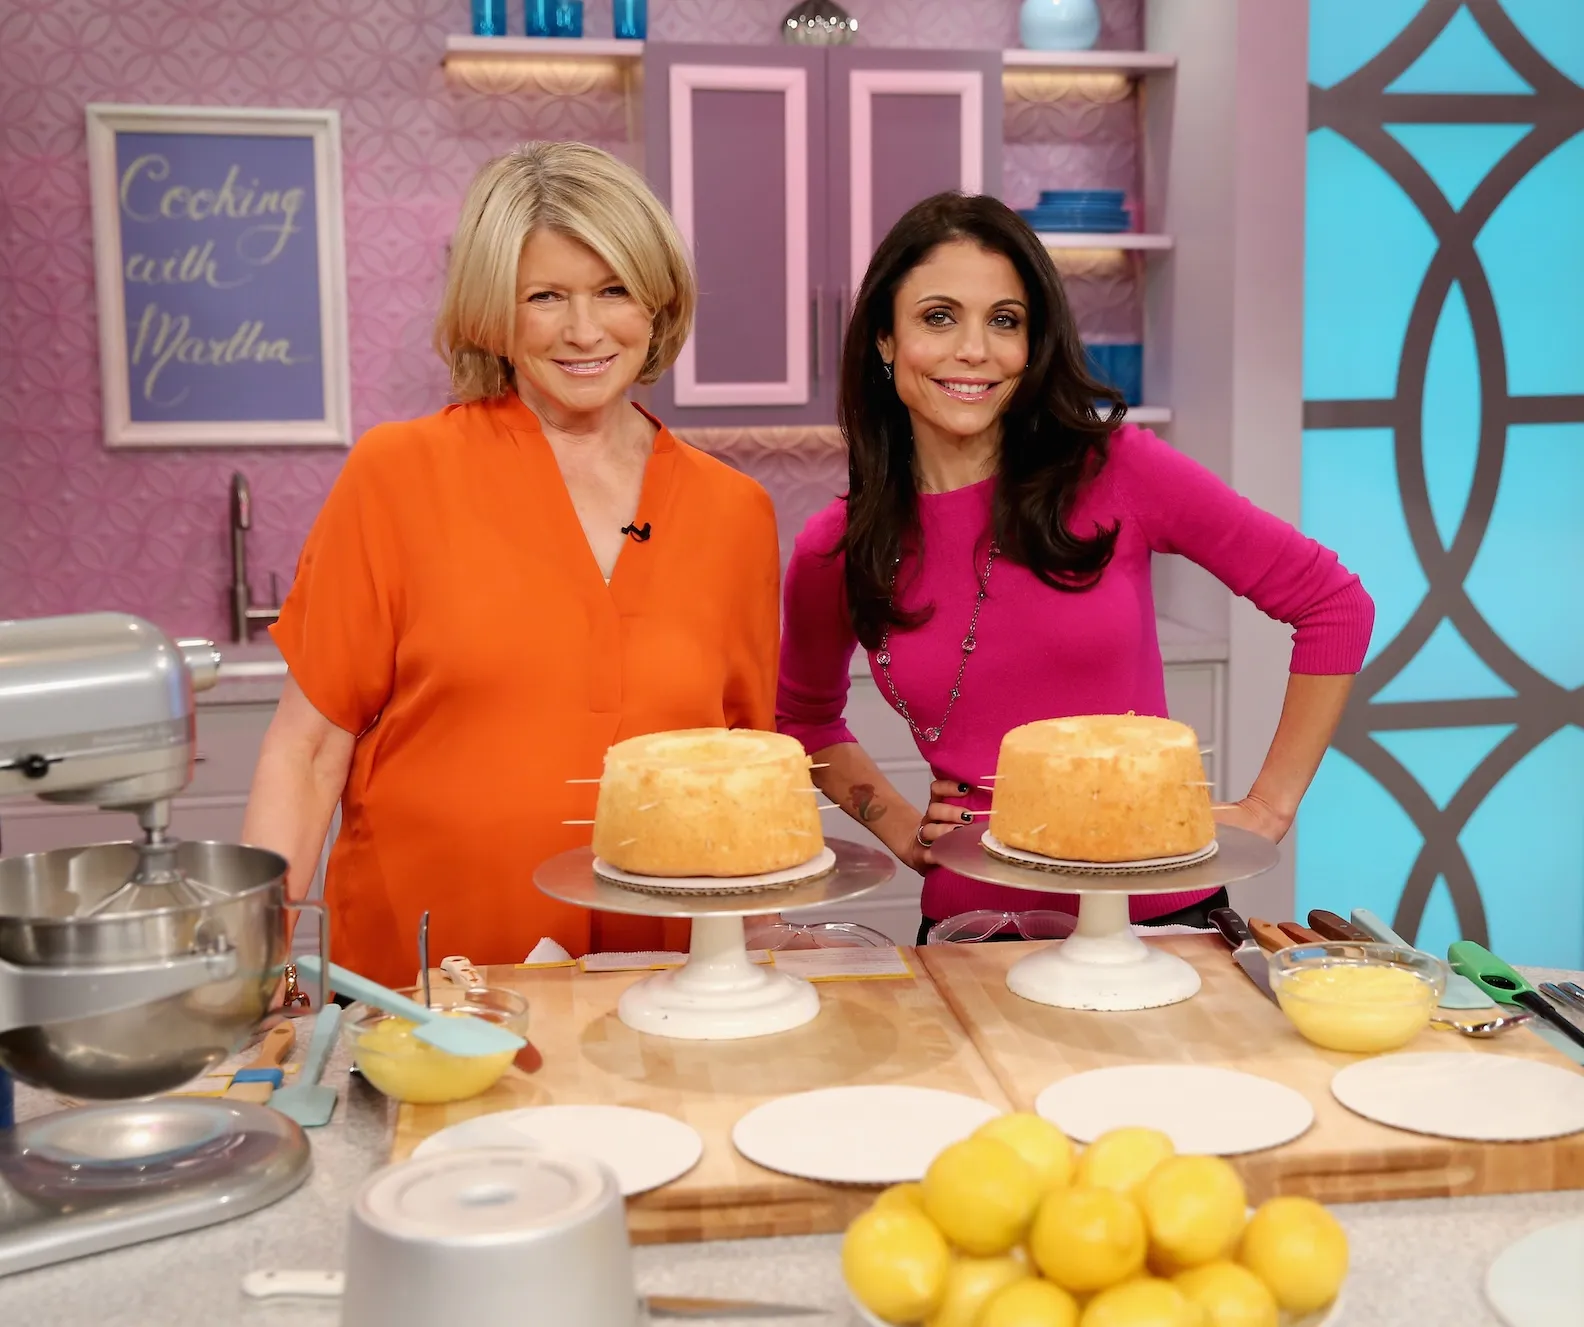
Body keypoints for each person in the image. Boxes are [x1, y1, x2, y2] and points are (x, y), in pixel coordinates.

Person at [242, 142, 780, 988]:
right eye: (546, 297)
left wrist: (757, 963)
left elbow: (750, 771)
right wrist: (256, 961)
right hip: (427, 989)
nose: (584, 330)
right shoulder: (398, 474)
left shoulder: (735, 512)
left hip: (671, 984)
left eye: (614, 291)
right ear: (496, 312)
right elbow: (307, 750)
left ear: (658, 302)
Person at [776, 193, 1374, 944]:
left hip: (1158, 922)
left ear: (1034, 343)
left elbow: (1333, 604)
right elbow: (803, 717)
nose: (974, 349)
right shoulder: (835, 545)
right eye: (938, 317)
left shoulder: (1118, 470)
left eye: (1005, 320)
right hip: (973, 926)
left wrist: (1268, 808)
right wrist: (897, 824)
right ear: (885, 341)